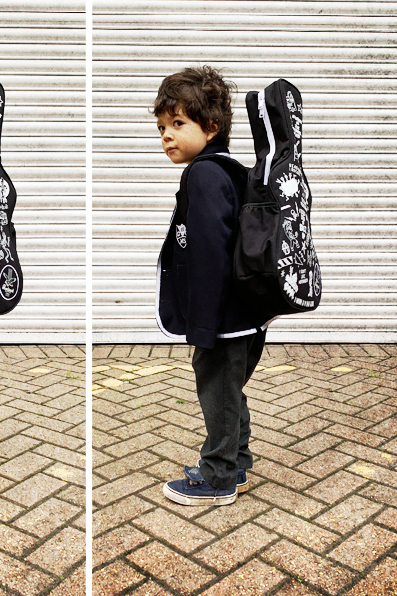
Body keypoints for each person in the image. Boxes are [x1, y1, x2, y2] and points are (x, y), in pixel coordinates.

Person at [154, 66, 270, 506]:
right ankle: (237, 461)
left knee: (218, 390)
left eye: (178, 124)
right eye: (162, 127)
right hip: (245, 313)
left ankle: (219, 476)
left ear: (212, 127)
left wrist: (202, 326)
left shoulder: (203, 175)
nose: (166, 135)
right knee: (230, 389)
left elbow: (208, 254)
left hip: (221, 316)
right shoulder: (233, 171)